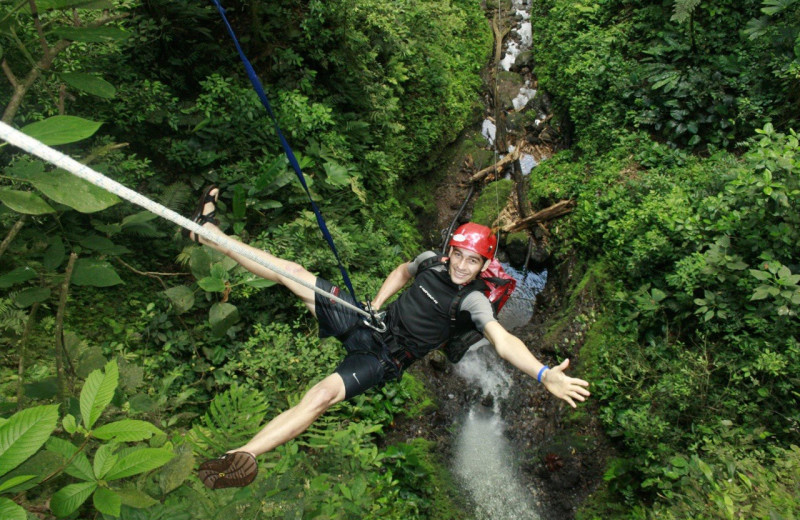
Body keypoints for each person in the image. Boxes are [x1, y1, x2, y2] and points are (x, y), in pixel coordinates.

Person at [188, 186, 591, 489]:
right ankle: (209, 235)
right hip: (367, 321)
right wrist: (376, 303)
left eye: (474, 261)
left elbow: (502, 341)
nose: (463, 267)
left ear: (484, 265)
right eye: (460, 256)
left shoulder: (472, 301)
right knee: (289, 271)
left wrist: (543, 374)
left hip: (384, 358)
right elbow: (402, 272)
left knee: (321, 397)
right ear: (449, 251)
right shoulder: (430, 263)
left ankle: (243, 455)